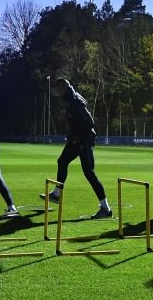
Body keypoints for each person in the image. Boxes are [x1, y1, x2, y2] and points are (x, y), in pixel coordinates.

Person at [41, 78, 112, 219]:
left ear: (63, 89)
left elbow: (89, 122)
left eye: (57, 91)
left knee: (89, 173)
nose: (56, 94)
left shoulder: (75, 101)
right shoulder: (70, 98)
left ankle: (106, 209)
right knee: (62, 161)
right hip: (75, 140)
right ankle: (56, 194)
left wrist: (79, 138)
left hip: (84, 141)